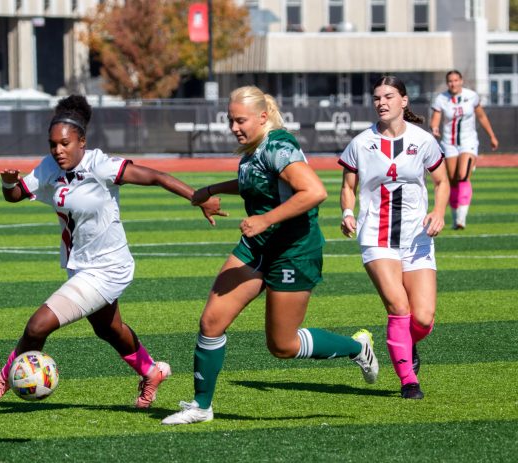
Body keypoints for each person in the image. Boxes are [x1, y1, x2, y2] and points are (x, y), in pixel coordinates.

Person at [0, 95, 225, 407]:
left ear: (82, 141)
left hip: (108, 267)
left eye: (65, 143)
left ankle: (2, 380)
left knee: (38, 325)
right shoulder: (48, 167)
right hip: (80, 266)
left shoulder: (102, 166)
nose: (58, 150)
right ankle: (151, 371)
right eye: (53, 144)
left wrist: (199, 197)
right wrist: (8, 184)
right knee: (109, 329)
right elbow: (14, 196)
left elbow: (156, 177)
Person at [161, 85, 379, 426]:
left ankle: (356, 348)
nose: (234, 127)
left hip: (294, 250)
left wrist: (265, 219)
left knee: (282, 345)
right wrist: (211, 189)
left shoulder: (279, 145)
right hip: (258, 246)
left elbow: (315, 191)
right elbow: (254, 180)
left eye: (240, 120)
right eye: (230, 120)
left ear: (263, 117)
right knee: (211, 321)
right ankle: (201, 406)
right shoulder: (254, 148)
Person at [339, 76, 450, 399]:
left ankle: (404, 342)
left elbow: (442, 182)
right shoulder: (360, 143)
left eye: (389, 96)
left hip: (417, 237)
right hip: (376, 235)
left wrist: (440, 212)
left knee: (424, 318)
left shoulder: (423, 140)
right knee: (398, 307)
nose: (382, 102)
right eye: (377, 97)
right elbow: (348, 187)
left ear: (404, 101)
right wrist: (347, 213)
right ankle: (408, 381)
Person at [430, 70, 498, 229]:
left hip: (468, 142)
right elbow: (435, 119)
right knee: (452, 180)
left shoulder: (471, 96)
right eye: (450, 81)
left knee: (463, 175)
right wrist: (434, 128)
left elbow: (481, 116)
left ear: (461, 81)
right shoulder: (441, 99)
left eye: (456, 80)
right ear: (447, 83)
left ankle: (462, 218)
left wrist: (492, 136)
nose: (453, 84)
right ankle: (455, 218)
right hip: (449, 143)